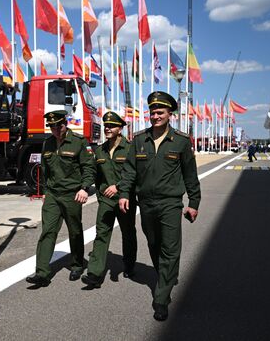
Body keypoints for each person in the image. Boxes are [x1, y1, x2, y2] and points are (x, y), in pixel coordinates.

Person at [118, 92, 201, 322]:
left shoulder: (181, 141)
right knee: (154, 244)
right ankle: (166, 275)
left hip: (170, 203)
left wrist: (193, 202)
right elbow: (129, 172)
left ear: (169, 115)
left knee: (170, 249)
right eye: (153, 112)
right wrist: (124, 193)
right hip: (145, 203)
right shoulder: (138, 140)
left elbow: (190, 175)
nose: (155, 116)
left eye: (160, 112)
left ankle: (161, 298)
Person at [26, 110, 96, 287]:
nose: (56, 129)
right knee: (48, 231)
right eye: (52, 126)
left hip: (72, 195)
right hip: (53, 195)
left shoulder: (79, 142)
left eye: (59, 125)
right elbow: (45, 169)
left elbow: (88, 167)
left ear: (66, 123)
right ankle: (42, 272)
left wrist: (84, 188)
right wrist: (44, 191)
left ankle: (77, 264)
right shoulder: (47, 143)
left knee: (75, 231)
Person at [81, 111, 137, 288]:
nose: (107, 128)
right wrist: (84, 187)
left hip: (125, 199)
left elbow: (135, 173)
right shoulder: (100, 150)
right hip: (106, 200)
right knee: (101, 234)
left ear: (120, 129)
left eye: (111, 126)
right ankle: (95, 274)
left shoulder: (130, 148)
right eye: (106, 125)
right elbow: (91, 171)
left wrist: (119, 186)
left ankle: (129, 264)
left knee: (128, 233)